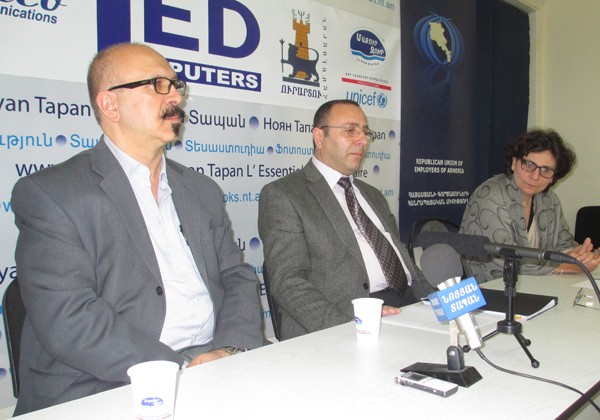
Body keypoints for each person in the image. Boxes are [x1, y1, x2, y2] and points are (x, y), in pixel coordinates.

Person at [11, 43, 263, 415]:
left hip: (213, 362)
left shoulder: (201, 189)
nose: (175, 96)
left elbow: (236, 277)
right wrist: (181, 371)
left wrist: (229, 351)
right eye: (158, 84)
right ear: (110, 105)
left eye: (175, 85)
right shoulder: (52, 194)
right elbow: (68, 317)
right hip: (102, 384)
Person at [258, 99, 435, 340]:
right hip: (347, 320)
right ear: (319, 137)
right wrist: (350, 324)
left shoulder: (373, 195)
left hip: (411, 308)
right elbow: (287, 281)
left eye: (365, 132)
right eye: (350, 130)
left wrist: (438, 301)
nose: (363, 141)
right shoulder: (285, 194)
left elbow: (402, 261)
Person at [460, 128, 600, 283]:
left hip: (537, 284)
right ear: (514, 163)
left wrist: (580, 254)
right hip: (491, 287)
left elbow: (563, 243)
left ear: (553, 177)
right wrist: (569, 266)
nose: (535, 176)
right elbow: (505, 257)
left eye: (546, 170)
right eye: (529, 164)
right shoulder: (490, 196)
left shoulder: (549, 199)